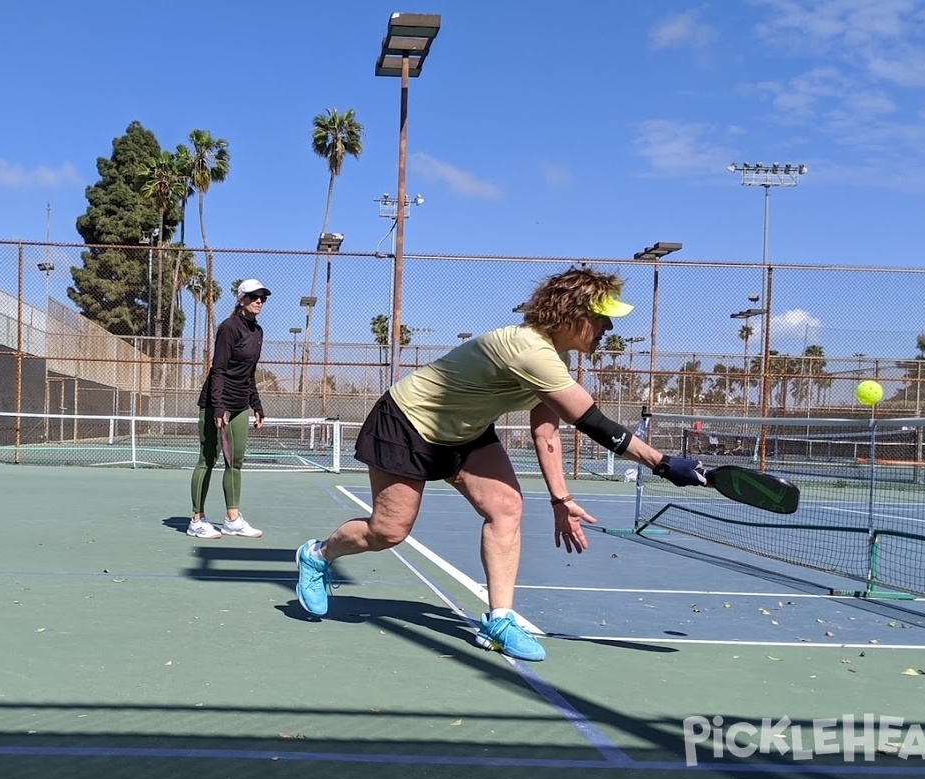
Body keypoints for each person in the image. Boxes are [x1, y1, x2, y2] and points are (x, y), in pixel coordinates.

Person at [293, 266, 706, 661]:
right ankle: (318, 555)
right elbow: (593, 422)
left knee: (506, 508)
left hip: (466, 432)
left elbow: (546, 434)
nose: (609, 329)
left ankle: (499, 620)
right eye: (601, 319)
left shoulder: (555, 362)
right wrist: (663, 463)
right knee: (388, 531)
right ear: (572, 316)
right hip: (407, 422)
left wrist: (561, 500)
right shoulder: (529, 351)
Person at [186, 278, 270, 539]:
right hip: (217, 404)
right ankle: (196, 520)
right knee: (207, 460)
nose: (259, 301)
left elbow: (249, 373)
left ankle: (232, 519)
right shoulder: (229, 328)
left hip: (241, 404)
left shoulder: (258, 332)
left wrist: (256, 405)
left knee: (235, 462)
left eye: (263, 298)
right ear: (241, 299)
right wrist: (218, 407)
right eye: (254, 296)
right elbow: (218, 369)